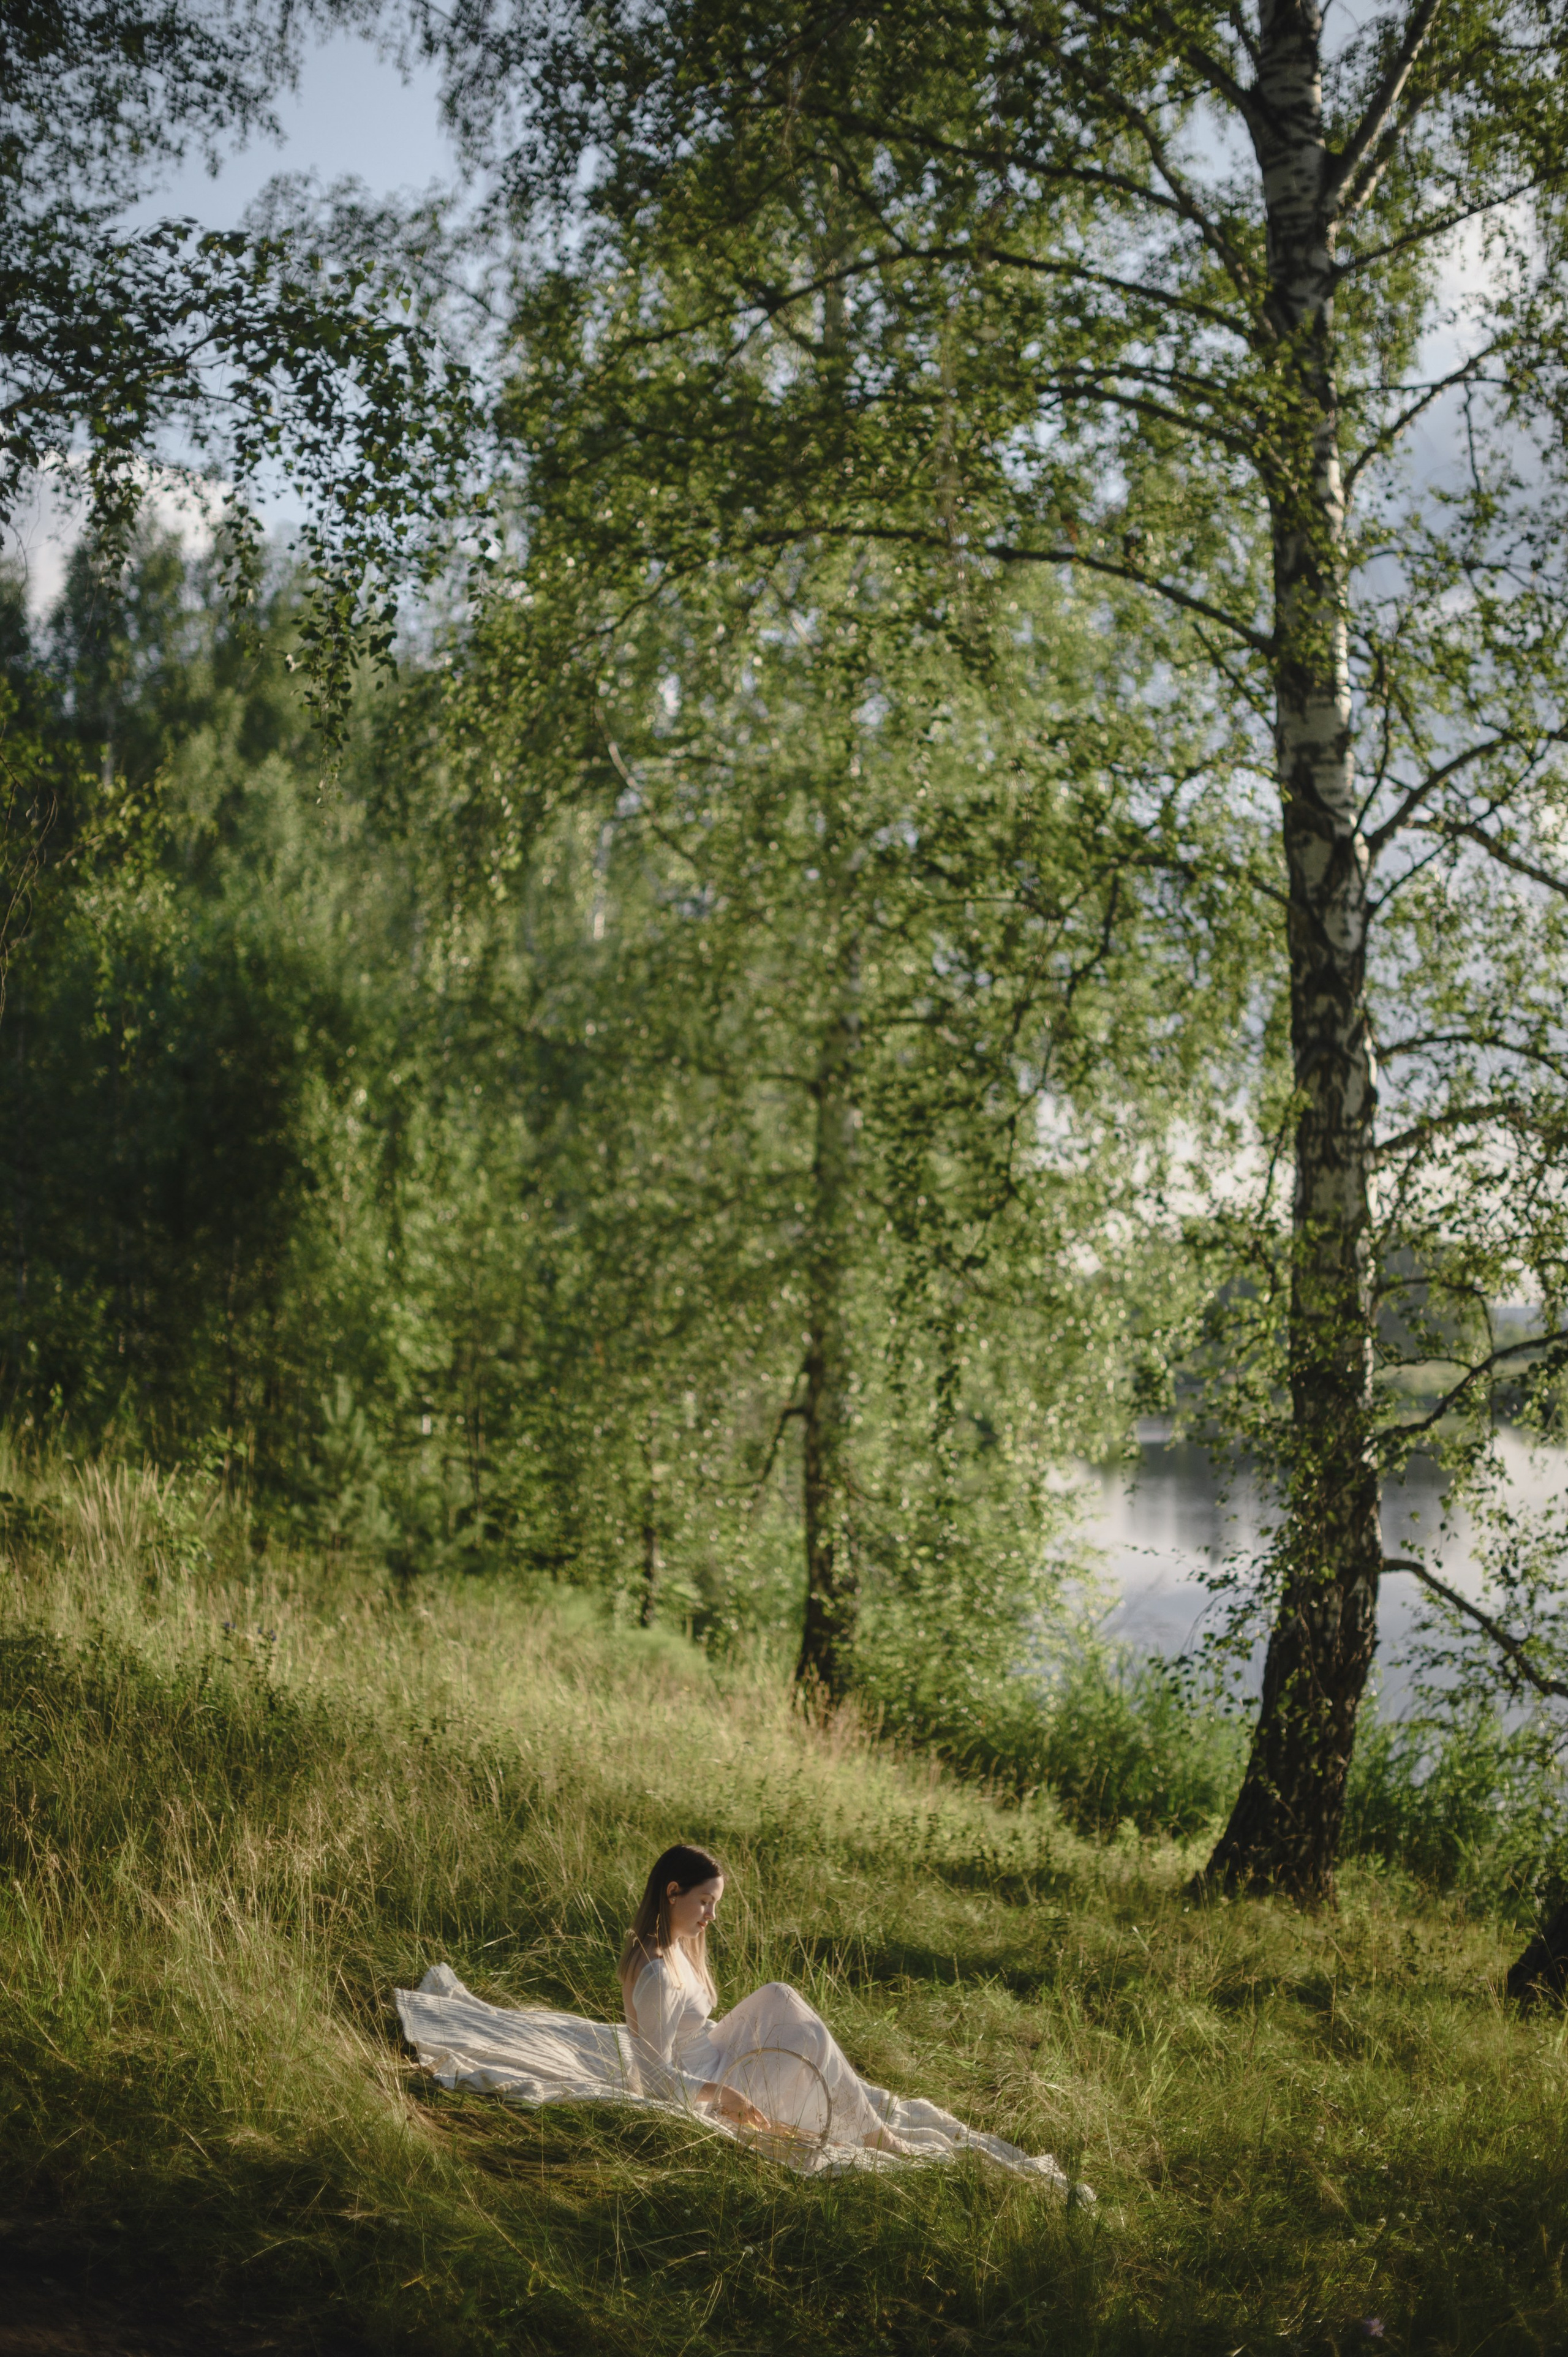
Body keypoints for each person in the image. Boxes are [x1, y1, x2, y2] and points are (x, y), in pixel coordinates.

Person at [617, 1841, 1087, 2187]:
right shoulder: (658, 1974)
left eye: (715, 1904)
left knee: (782, 1998)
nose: (711, 1917)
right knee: (808, 2045)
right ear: (673, 1891)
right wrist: (725, 2094)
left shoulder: (673, 1949)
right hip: (702, 2084)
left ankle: (868, 2125)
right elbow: (655, 2079)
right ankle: (877, 2138)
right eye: (705, 1902)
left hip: (711, 2059)